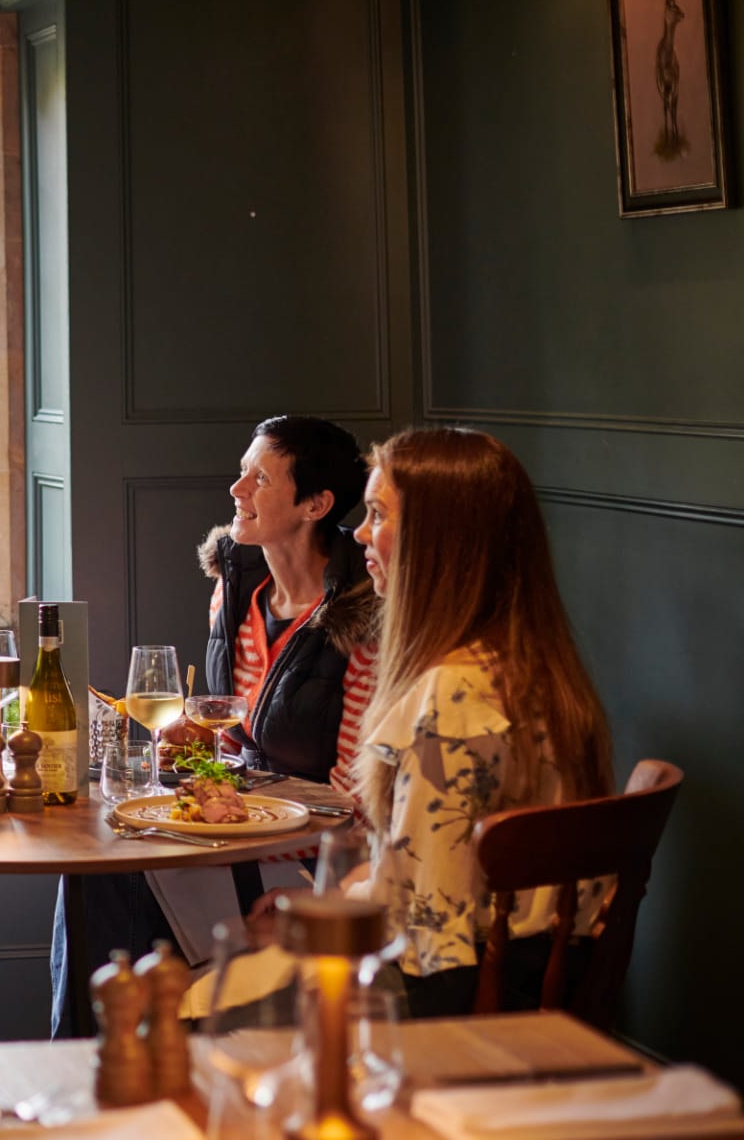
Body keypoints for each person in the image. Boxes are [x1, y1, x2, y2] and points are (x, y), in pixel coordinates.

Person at [50, 416, 378, 1035]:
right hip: (235, 829)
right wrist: (204, 745)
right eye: (242, 471)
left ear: (316, 504)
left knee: (114, 872)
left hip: (309, 857)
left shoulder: (361, 620)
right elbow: (239, 736)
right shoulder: (235, 593)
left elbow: (353, 802)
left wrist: (240, 808)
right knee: (96, 860)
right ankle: (99, 1059)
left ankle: (121, 1054)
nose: (236, 490)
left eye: (259, 477)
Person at [341, 426, 613, 1015]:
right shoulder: (540, 670)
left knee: (197, 1001)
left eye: (378, 515)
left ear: (437, 543)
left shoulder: (451, 699)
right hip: (543, 992)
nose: (361, 534)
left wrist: (339, 901)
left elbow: (429, 933)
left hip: (451, 1015)